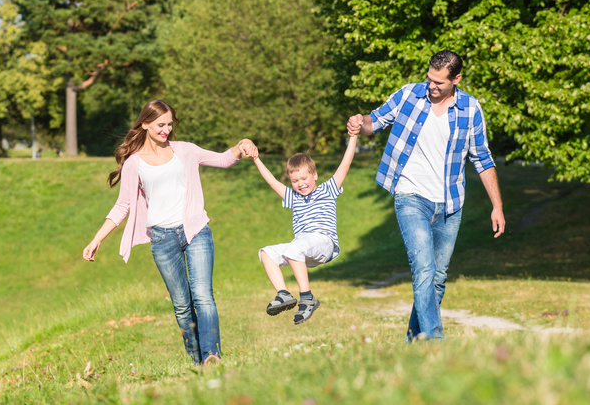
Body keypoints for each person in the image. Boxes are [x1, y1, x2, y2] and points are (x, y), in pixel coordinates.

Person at [347, 50, 505, 342]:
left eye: (439, 83)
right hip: (410, 195)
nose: (431, 87)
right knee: (423, 268)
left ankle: (414, 341)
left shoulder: (470, 109)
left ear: (456, 79)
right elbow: (376, 121)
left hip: (449, 204)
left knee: (437, 279)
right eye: (429, 79)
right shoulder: (409, 95)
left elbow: (482, 158)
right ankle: (434, 341)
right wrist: (360, 122)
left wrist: (497, 206)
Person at [82, 99, 255, 365]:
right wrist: (97, 239)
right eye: (161, 124)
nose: (166, 129)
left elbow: (222, 159)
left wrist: (242, 144)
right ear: (145, 124)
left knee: (203, 297)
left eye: (170, 124)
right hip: (163, 240)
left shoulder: (185, 150)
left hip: (196, 231)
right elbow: (123, 205)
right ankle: (198, 361)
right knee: (183, 307)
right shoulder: (134, 164)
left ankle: (212, 357)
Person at [242, 133, 358, 325]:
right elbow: (272, 181)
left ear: (315, 175)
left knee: (295, 247)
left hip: (323, 242)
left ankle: (307, 297)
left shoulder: (328, 189)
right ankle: (283, 294)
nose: (300, 184)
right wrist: (256, 159)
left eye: (304, 178)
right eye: (295, 181)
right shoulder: (293, 198)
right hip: (303, 250)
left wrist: (353, 136)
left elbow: (345, 164)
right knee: (265, 253)